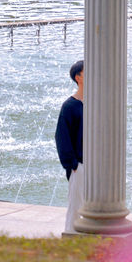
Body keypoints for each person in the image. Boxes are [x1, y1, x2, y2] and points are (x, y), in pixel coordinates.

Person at [55, 59, 83, 233]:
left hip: (95, 164)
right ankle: (71, 239)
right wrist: (72, 165)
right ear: (78, 77)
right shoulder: (70, 106)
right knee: (76, 208)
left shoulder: (97, 103)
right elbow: (61, 137)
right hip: (79, 165)